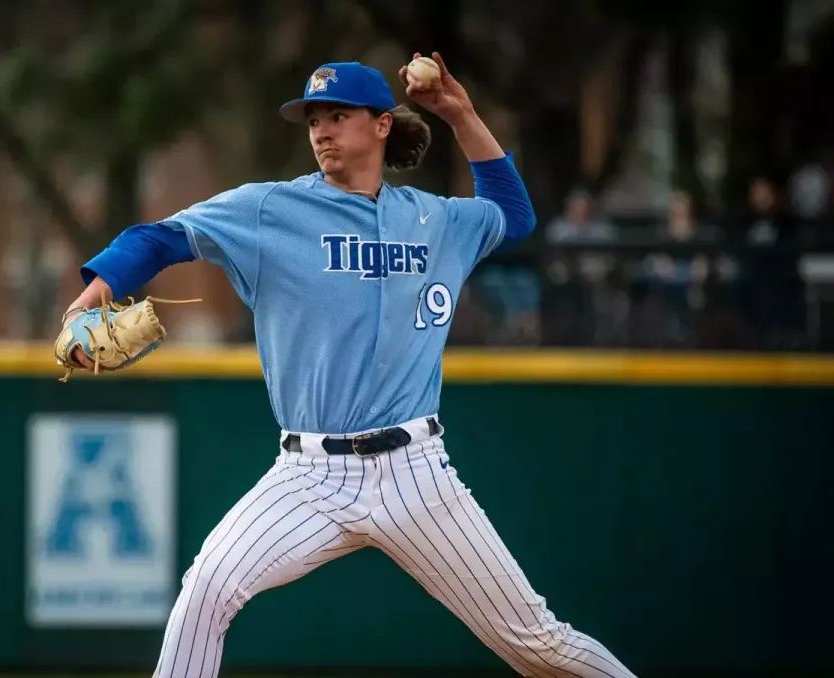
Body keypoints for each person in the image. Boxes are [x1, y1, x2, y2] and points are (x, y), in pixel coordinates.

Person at [62, 55, 637, 678]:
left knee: (535, 642)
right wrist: (92, 294)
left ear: (382, 125)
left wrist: (459, 113)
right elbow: (160, 236)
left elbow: (513, 215)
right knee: (206, 590)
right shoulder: (269, 211)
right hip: (307, 477)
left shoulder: (434, 219)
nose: (322, 130)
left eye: (339, 115)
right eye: (314, 118)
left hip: (417, 473)